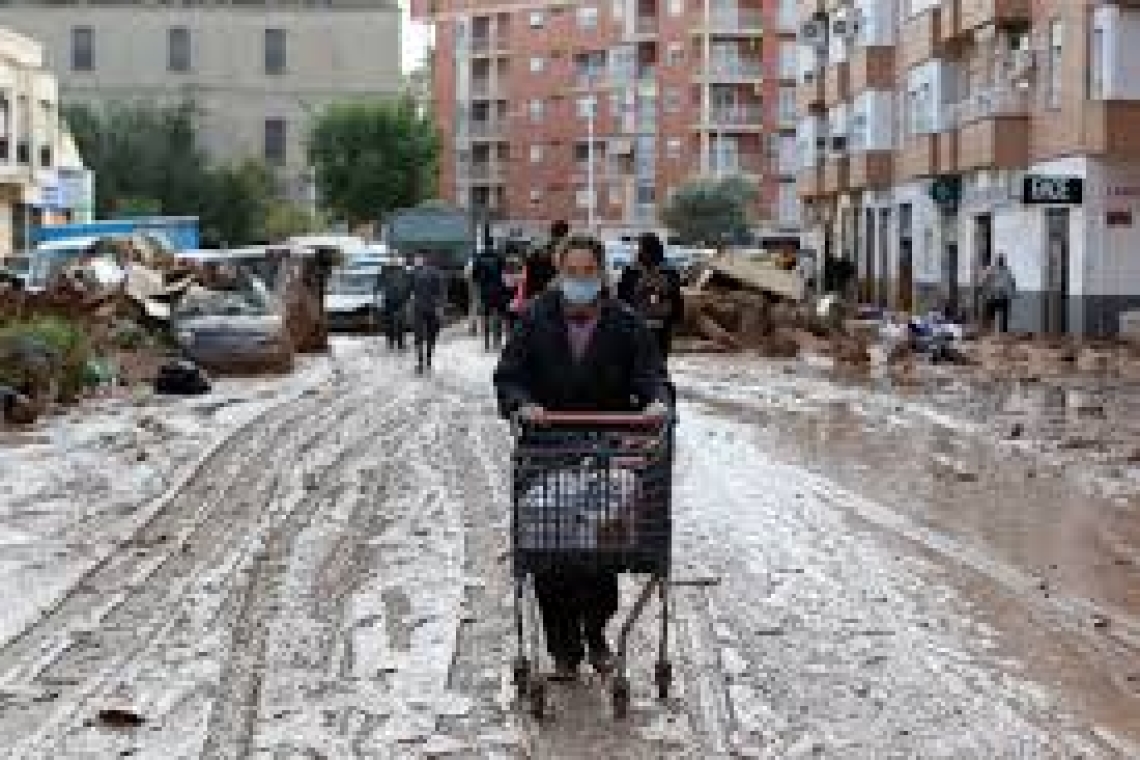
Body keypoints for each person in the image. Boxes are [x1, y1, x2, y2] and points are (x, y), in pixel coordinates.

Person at [494, 232, 673, 680]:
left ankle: (596, 634)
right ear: (559, 273)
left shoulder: (626, 323)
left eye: (588, 272)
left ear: (602, 274)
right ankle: (563, 650)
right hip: (549, 451)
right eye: (571, 272)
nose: (580, 280)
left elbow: (653, 377)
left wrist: (655, 403)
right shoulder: (535, 319)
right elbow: (508, 377)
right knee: (549, 553)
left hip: (606, 450)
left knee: (600, 552)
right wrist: (522, 404)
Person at [617, 232, 685, 359]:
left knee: (652, 356)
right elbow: (676, 297)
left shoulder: (631, 270)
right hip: (648, 322)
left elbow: (622, 297)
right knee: (651, 356)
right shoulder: (669, 270)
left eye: (641, 247)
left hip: (652, 323)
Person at [409, 252, 445, 374]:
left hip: (423, 308)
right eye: (415, 259)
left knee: (422, 336)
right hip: (428, 308)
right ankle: (425, 361)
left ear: (423, 259)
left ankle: (423, 362)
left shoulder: (414, 273)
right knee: (428, 335)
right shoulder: (434, 272)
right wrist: (440, 306)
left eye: (417, 259)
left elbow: (441, 291)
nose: (415, 261)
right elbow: (441, 291)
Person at [471, 246, 510, 350]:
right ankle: (497, 341)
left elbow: (475, 277)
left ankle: (487, 342)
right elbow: (505, 273)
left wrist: (480, 285)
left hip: (485, 292)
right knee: (498, 316)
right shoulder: (500, 257)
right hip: (499, 290)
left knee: (486, 317)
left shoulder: (478, 259)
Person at [520, 219, 566, 304]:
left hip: (537, 296)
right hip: (554, 297)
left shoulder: (537, 252)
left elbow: (528, 277)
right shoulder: (565, 255)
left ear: (552, 233)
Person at [380, 262, 412, 350]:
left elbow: (409, 284)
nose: (394, 259)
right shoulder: (385, 270)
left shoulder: (404, 271)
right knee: (389, 323)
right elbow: (380, 284)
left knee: (401, 323)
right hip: (389, 300)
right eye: (392, 257)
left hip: (401, 300)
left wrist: (407, 297)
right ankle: (390, 342)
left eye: (396, 256)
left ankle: (400, 343)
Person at [981, 254, 1016, 334]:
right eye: (999, 260)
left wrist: (1012, 293)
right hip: (993, 295)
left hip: (1003, 295)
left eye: (1002, 260)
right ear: (997, 261)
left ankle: (1003, 332)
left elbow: (1012, 282)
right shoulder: (991, 269)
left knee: (1004, 316)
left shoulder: (1007, 270)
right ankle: (988, 331)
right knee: (990, 314)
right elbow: (984, 280)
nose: (1000, 262)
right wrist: (985, 291)